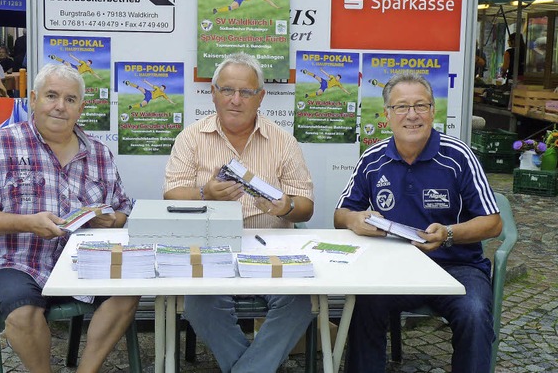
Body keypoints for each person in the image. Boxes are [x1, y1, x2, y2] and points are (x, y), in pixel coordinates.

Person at [0, 64, 138, 372]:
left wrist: (113, 220)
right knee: (22, 315)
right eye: (51, 96)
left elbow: (122, 208)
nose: (60, 106)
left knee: (128, 292)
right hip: (21, 261)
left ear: (81, 107)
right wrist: (26, 222)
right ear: (34, 99)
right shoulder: (1, 144)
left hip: (85, 260)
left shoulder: (99, 153)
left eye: (70, 99)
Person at [334, 73, 503, 373]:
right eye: (401, 107)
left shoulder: (459, 156)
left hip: (458, 267)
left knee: (475, 314)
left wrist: (449, 233)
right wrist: (355, 219)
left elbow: (493, 223)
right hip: (395, 267)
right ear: (386, 115)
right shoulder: (372, 158)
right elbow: (340, 215)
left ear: (433, 111)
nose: (411, 115)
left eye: (420, 106)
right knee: (364, 305)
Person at [163, 52, 314, 373]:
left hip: (270, 244)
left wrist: (286, 206)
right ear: (213, 92)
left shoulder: (283, 141)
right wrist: (205, 193)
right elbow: (171, 194)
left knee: (298, 303)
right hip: (210, 245)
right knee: (200, 303)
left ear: (260, 97)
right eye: (227, 90)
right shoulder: (191, 138)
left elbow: (306, 208)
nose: (235, 100)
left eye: (246, 92)